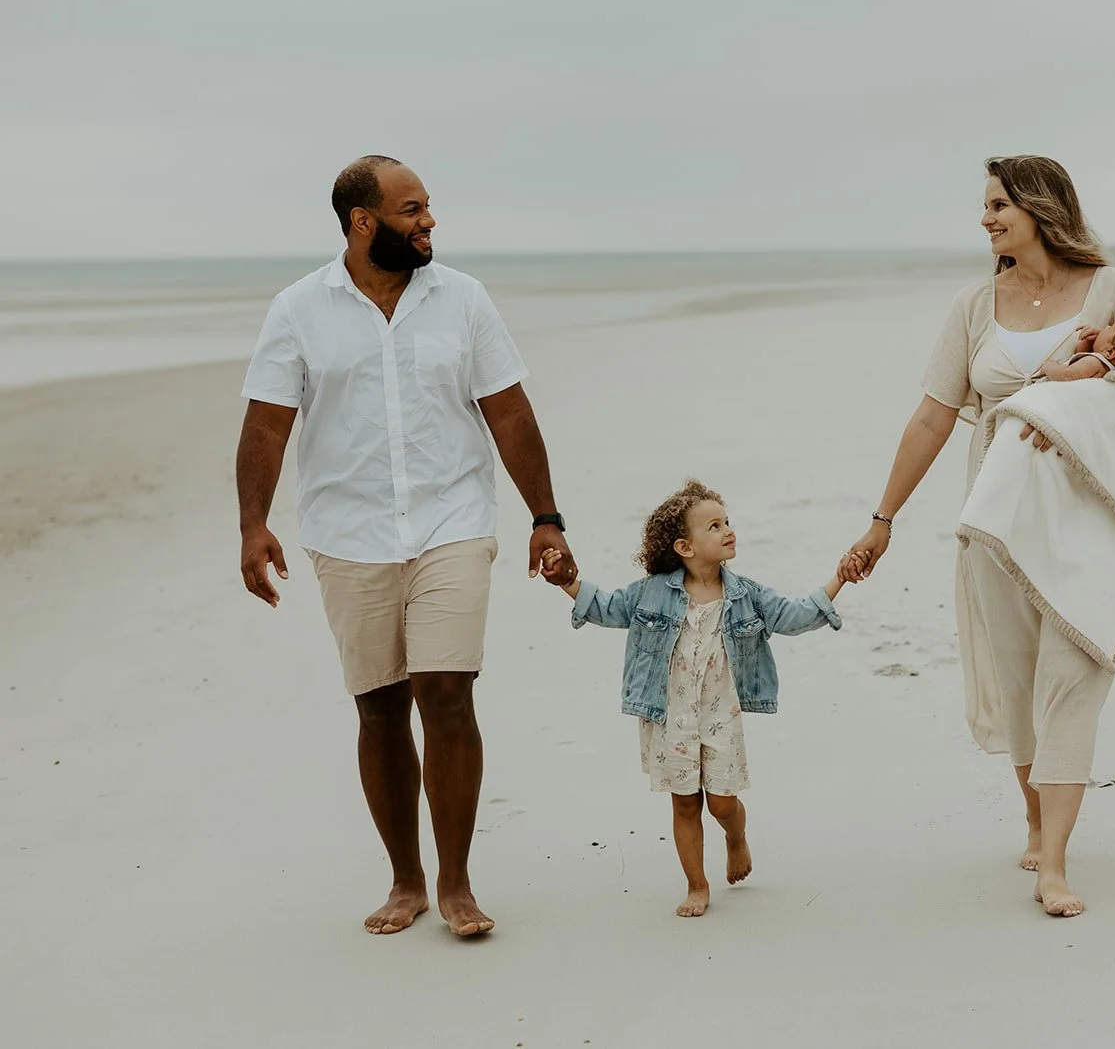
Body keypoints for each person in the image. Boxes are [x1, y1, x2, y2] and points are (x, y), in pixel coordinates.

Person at [234, 155, 577, 937]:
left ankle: (456, 883)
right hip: (347, 534)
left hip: (451, 519)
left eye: (428, 208)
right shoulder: (297, 310)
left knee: (447, 694)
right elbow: (265, 423)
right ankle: (406, 879)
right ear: (363, 223)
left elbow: (511, 413)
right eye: (411, 209)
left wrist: (545, 517)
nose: (428, 223)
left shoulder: (464, 300)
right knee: (380, 707)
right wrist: (254, 524)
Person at [839, 155, 1115, 917]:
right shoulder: (974, 305)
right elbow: (932, 416)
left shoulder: (1113, 291)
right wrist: (882, 520)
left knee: (1073, 679)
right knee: (1019, 688)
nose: (984, 219)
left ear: (1041, 208)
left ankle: (1053, 862)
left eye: (997, 205)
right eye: (983, 207)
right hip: (998, 521)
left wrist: (1074, 399)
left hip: (1089, 523)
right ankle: (1035, 814)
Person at [543, 479, 843, 917]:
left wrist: (840, 578)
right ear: (684, 546)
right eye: (715, 526)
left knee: (721, 803)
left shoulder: (747, 595)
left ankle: (735, 837)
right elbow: (606, 607)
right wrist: (565, 580)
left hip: (721, 714)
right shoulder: (650, 592)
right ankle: (697, 884)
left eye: (727, 522)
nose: (728, 531)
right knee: (684, 802)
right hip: (669, 717)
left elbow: (794, 617)